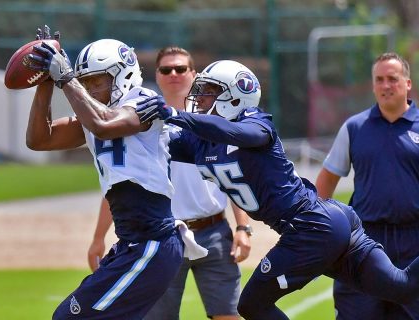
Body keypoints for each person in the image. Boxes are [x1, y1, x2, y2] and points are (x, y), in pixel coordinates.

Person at [135, 59, 419, 320]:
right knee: (402, 286)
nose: (202, 98)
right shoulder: (200, 140)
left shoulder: (256, 122)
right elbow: (154, 147)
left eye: (210, 90)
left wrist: (176, 115)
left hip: (309, 225)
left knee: (251, 305)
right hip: (326, 222)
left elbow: (242, 135)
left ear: (235, 96)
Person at [26, 27, 206, 320]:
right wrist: (45, 82)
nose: (89, 90)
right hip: (131, 244)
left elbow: (105, 124)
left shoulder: (143, 100)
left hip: (152, 243)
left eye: (96, 81)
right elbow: (39, 139)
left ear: (122, 74)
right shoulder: (95, 112)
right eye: (86, 82)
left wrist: (67, 79)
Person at [87, 46, 251, 320]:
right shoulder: (137, 121)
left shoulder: (211, 121)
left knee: (228, 316)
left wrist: (243, 227)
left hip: (213, 230)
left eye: (181, 68)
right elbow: (119, 184)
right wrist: (97, 238)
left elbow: (229, 176)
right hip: (163, 237)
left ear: (194, 74)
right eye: (166, 69)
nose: (174, 74)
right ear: (158, 76)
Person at [315, 52, 419, 319]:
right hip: (364, 242)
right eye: (380, 79)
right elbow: (326, 180)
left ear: (407, 83)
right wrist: (317, 230)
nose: (386, 85)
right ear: (373, 85)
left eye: (393, 79)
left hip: (414, 244)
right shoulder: (354, 127)